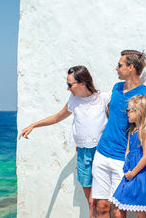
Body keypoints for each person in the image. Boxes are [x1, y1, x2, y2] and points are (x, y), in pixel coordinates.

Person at [18, 65, 110, 218]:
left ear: (82, 83)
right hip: (83, 154)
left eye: (69, 84)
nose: (68, 88)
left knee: (101, 203)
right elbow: (56, 117)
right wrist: (33, 125)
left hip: (101, 153)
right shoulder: (74, 100)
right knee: (91, 202)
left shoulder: (104, 98)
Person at [92, 50, 146, 218]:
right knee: (100, 207)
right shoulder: (116, 88)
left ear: (131, 67)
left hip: (123, 159)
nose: (116, 68)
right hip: (102, 153)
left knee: (119, 209)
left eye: (120, 65)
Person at [109, 95, 146, 218]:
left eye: (129, 110)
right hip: (132, 174)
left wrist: (133, 172)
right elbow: (128, 151)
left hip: (143, 174)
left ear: (139, 112)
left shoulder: (145, 132)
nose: (127, 113)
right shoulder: (132, 132)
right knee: (136, 207)